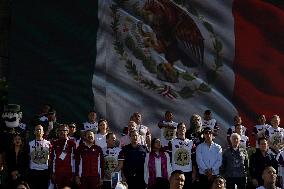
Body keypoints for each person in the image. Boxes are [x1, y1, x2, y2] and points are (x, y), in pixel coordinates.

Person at [50, 124, 77, 189]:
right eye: (60, 130)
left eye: (64, 130)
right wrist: (52, 173)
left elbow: (75, 160)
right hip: (58, 173)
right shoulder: (54, 143)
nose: (62, 132)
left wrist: (74, 173)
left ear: (68, 131)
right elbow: (52, 159)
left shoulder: (72, 143)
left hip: (69, 173)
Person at [170, 122, 196, 189]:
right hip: (175, 171)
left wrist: (194, 172)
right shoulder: (172, 142)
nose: (182, 129)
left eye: (184, 127)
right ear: (177, 130)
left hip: (188, 172)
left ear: (186, 130)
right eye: (180, 127)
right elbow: (168, 158)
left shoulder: (190, 142)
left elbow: (193, 158)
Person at [28, 124, 51, 189]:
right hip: (33, 171)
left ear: (43, 132)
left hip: (44, 171)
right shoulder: (30, 143)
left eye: (40, 129)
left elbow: (50, 158)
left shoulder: (48, 143)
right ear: (34, 132)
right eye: (37, 129)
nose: (38, 130)